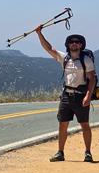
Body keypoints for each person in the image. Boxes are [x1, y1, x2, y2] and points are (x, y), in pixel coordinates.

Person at [35, 25, 95, 162]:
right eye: (71, 42)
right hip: (66, 96)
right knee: (62, 124)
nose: (74, 43)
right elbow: (49, 49)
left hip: (81, 96)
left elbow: (92, 78)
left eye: (77, 42)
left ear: (81, 45)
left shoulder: (86, 60)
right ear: (68, 45)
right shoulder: (65, 58)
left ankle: (88, 153)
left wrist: (88, 96)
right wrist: (39, 33)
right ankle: (60, 153)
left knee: (84, 124)